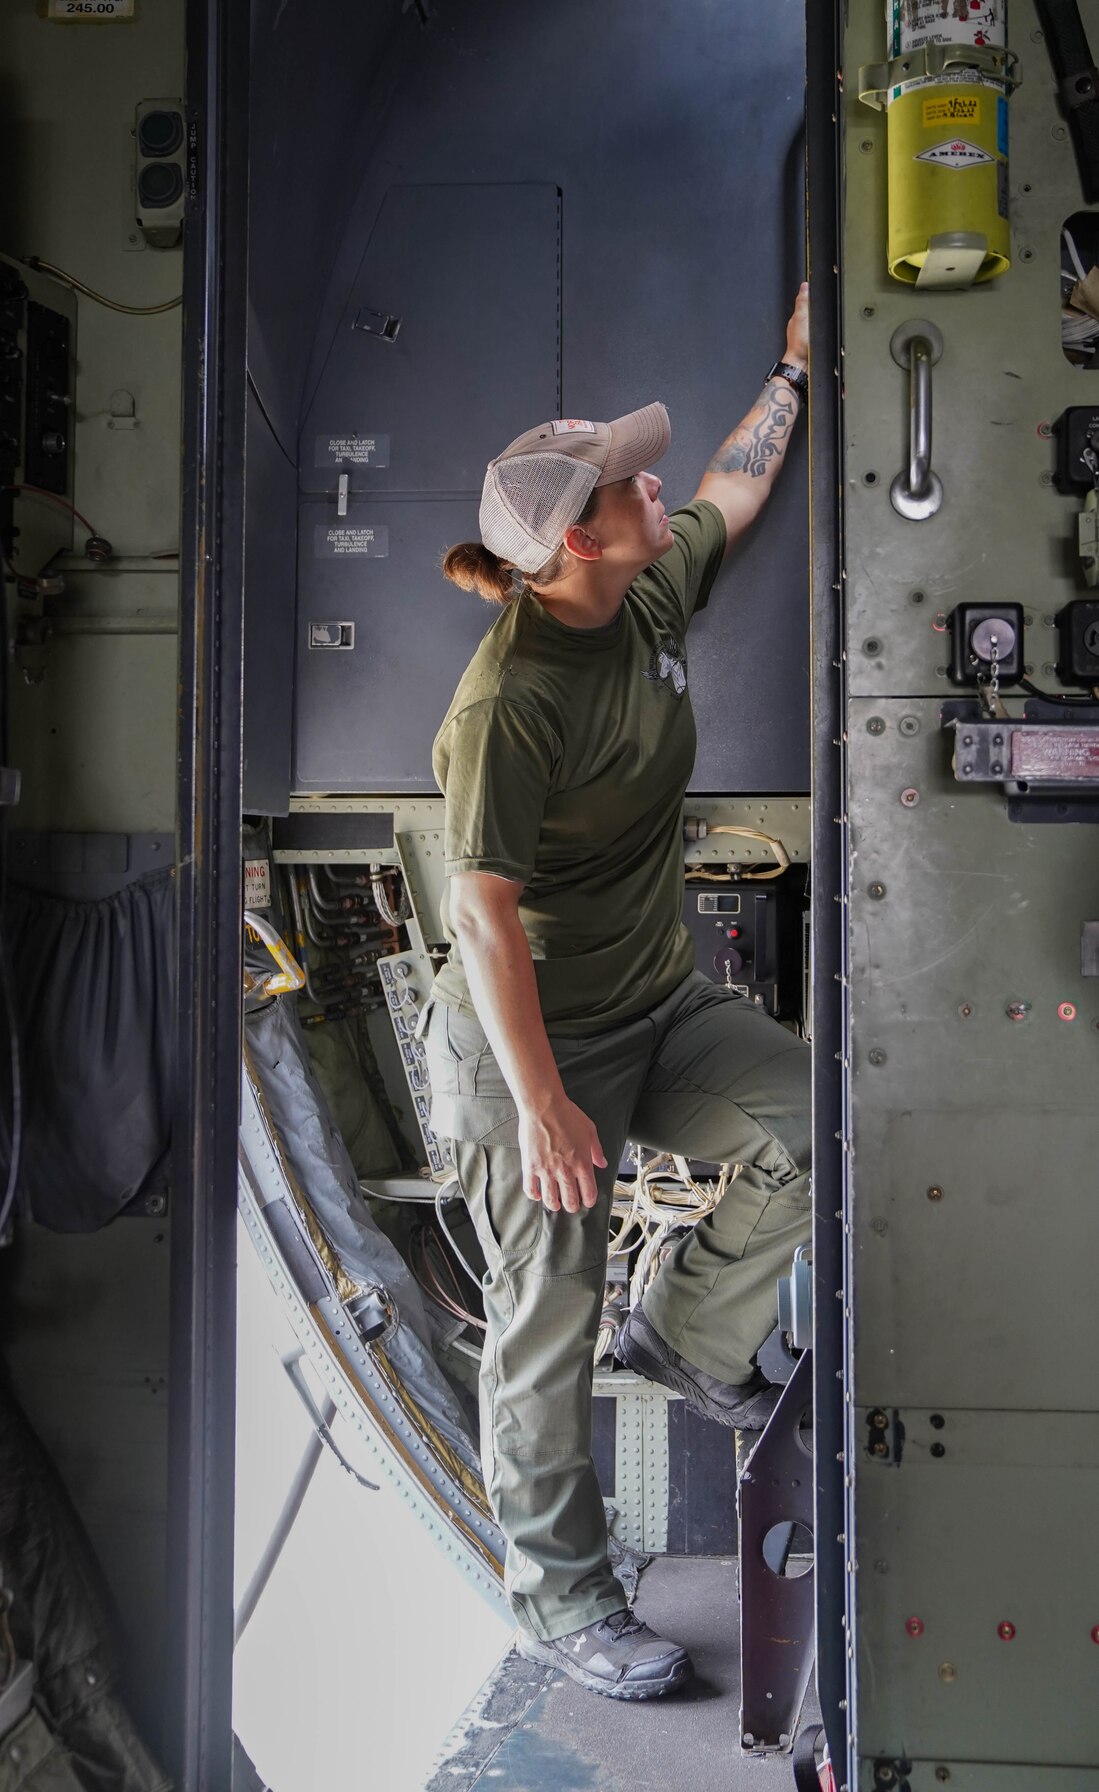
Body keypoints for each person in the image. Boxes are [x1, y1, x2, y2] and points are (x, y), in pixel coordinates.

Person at [421, 284, 812, 1704]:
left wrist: (795, 375)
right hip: (534, 1045)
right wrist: (538, 1109)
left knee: (818, 1131)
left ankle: (696, 1333)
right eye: (628, 479)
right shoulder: (507, 704)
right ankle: (565, 1603)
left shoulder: (643, 582)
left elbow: (729, 490)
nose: (659, 482)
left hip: (655, 1005)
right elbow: (483, 918)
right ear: (574, 536)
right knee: (544, 1319)